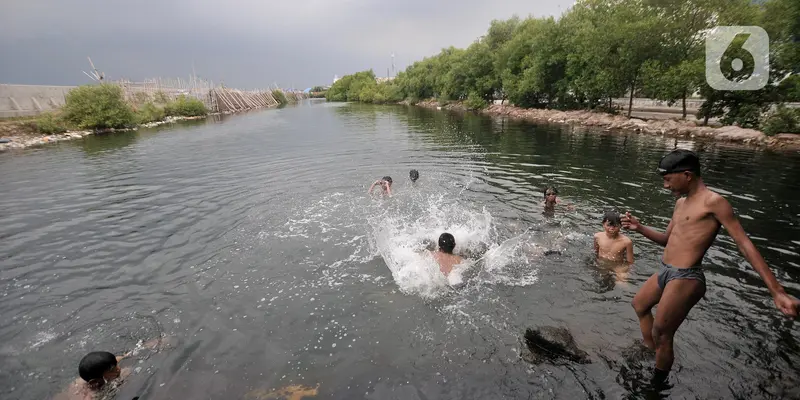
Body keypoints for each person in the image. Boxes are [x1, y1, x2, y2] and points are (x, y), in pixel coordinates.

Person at [621, 149, 799, 384]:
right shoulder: (680, 203)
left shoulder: (714, 202)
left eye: (667, 180)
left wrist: (777, 291)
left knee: (663, 332)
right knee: (640, 304)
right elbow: (667, 239)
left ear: (687, 175)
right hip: (665, 270)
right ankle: (652, 350)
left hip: (686, 276)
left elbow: (744, 245)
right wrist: (640, 228)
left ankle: (656, 384)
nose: (666, 187)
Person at [55, 337, 168, 400]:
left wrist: (155, 344)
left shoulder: (100, 370)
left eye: (116, 366)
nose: (118, 369)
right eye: (113, 370)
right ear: (94, 382)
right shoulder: (91, 396)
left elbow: (127, 356)